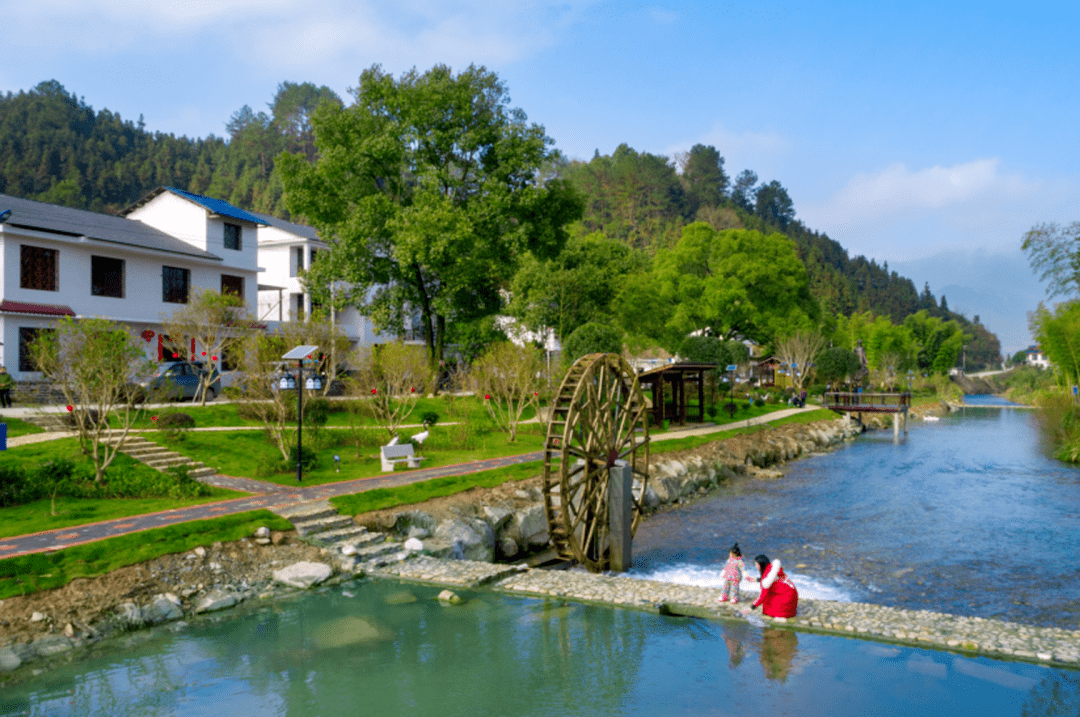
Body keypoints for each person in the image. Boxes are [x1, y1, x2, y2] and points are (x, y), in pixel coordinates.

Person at [744, 554, 798, 619]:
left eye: (756, 564)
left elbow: (762, 596)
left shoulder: (766, 580)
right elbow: (774, 580)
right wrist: (756, 579)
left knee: (766, 604)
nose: (755, 566)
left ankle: (782, 614)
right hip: (792, 597)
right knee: (769, 596)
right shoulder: (772, 568)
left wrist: (751, 608)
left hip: (786, 601)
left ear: (761, 565)